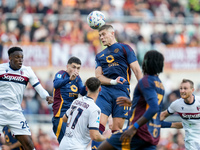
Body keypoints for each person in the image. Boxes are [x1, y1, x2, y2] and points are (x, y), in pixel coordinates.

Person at [97, 50, 165, 150]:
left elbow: (154, 107)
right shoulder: (160, 84)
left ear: (146, 62)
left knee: (102, 148)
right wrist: (134, 103)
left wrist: (134, 127)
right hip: (152, 135)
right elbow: (151, 106)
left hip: (139, 133)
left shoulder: (145, 81)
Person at [92, 24, 143, 149]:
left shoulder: (125, 48)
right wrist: (113, 81)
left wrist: (144, 91)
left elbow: (136, 70)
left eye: (103, 34)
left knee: (117, 129)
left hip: (121, 92)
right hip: (105, 92)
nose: (101, 38)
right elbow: (98, 77)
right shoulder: (100, 56)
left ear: (112, 33)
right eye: (100, 36)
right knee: (97, 126)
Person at [0, 46, 53, 150]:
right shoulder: (1, 69)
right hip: (0, 111)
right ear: (10, 58)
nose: (20, 60)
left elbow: (39, 88)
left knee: (29, 144)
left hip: (16, 113)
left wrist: (47, 96)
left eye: (22, 57)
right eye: (17, 57)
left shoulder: (27, 71)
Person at [59, 77, 111, 150]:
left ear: (86, 88)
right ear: (100, 89)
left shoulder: (76, 101)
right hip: (76, 147)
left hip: (63, 145)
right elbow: (94, 136)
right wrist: (105, 137)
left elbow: (64, 119)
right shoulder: (95, 109)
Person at [52, 56, 87, 143]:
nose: (76, 70)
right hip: (60, 114)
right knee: (65, 143)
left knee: (72, 143)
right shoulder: (61, 74)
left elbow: (82, 92)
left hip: (72, 116)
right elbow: (56, 84)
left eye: (78, 68)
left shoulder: (78, 79)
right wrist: (69, 79)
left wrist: (87, 86)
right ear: (67, 66)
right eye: (74, 67)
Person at [160, 79, 200, 150]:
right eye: (181, 88)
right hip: (191, 143)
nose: (182, 91)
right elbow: (163, 115)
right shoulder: (176, 104)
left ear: (192, 90)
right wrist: (150, 122)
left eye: (185, 88)